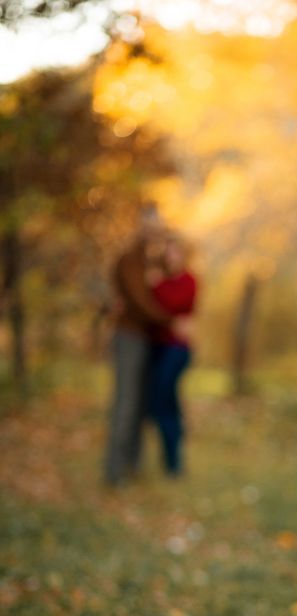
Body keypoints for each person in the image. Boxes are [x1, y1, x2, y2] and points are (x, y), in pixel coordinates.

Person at [104, 206, 172, 487]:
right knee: (126, 403)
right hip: (129, 337)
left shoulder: (152, 259)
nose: (151, 231)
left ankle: (133, 466)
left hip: (147, 338)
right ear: (139, 226)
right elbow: (138, 300)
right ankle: (115, 471)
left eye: (156, 226)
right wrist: (170, 320)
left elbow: (175, 276)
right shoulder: (130, 259)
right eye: (147, 225)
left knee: (142, 404)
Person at [147, 235, 197, 476]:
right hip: (157, 348)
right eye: (168, 253)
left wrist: (156, 287)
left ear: (183, 254)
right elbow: (158, 310)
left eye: (176, 252)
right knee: (164, 402)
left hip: (178, 349)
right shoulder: (159, 280)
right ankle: (171, 461)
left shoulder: (189, 280)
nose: (172, 257)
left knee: (163, 399)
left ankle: (174, 461)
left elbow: (175, 303)